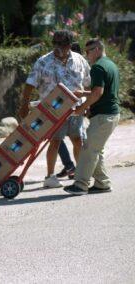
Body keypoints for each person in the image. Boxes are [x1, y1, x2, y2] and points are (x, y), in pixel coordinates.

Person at [19, 30, 91, 188]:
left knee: (78, 140)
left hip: (75, 109)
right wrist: (24, 105)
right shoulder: (43, 62)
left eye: (62, 44)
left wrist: (88, 105)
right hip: (53, 111)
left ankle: (79, 173)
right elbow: (30, 84)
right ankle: (50, 177)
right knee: (55, 142)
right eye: (55, 43)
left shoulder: (79, 60)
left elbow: (87, 83)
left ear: (69, 45)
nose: (57, 47)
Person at [64, 38, 120, 195]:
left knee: (88, 150)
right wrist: (84, 94)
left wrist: (82, 108)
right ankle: (103, 183)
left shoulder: (97, 67)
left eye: (88, 51)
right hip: (110, 115)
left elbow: (98, 92)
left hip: (104, 116)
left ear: (97, 50)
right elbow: (102, 90)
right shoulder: (110, 64)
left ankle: (80, 185)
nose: (86, 55)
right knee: (96, 150)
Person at [56, 41, 83, 179]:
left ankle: (78, 169)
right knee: (55, 138)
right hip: (61, 107)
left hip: (76, 107)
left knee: (77, 139)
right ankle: (69, 166)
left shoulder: (80, 65)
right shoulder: (59, 64)